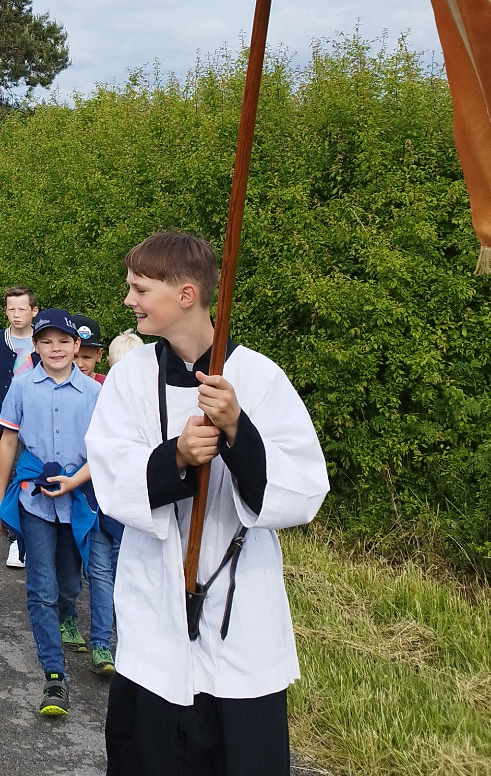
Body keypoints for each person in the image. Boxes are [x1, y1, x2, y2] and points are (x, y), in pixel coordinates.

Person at [87, 233, 328, 775]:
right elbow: (109, 471)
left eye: (140, 289)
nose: (129, 300)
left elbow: (304, 488)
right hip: (155, 612)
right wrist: (175, 457)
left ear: (186, 295)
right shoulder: (129, 377)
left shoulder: (260, 378)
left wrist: (239, 431)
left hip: (240, 624)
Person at [0, 308, 114, 716]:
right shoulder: (23, 386)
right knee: (40, 587)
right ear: (36, 346)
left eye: (64, 341)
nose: (55, 348)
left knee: (67, 583)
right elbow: (9, 441)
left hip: (78, 501)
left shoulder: (97, 395)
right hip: (35, 502)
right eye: (46, 341)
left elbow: (102, 452)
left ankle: (77, 628)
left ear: (77, 346)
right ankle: (54, 675)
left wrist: (75, 482)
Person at [0, 286, 38, 570]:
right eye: (11, 309)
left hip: (36, 420)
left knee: (25, 474)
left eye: (22, 309)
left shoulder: (42, 343)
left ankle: (26, 535)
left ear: (34, 311)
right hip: (8, 422)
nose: (16, 314)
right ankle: (16, 538)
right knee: (15, 472)